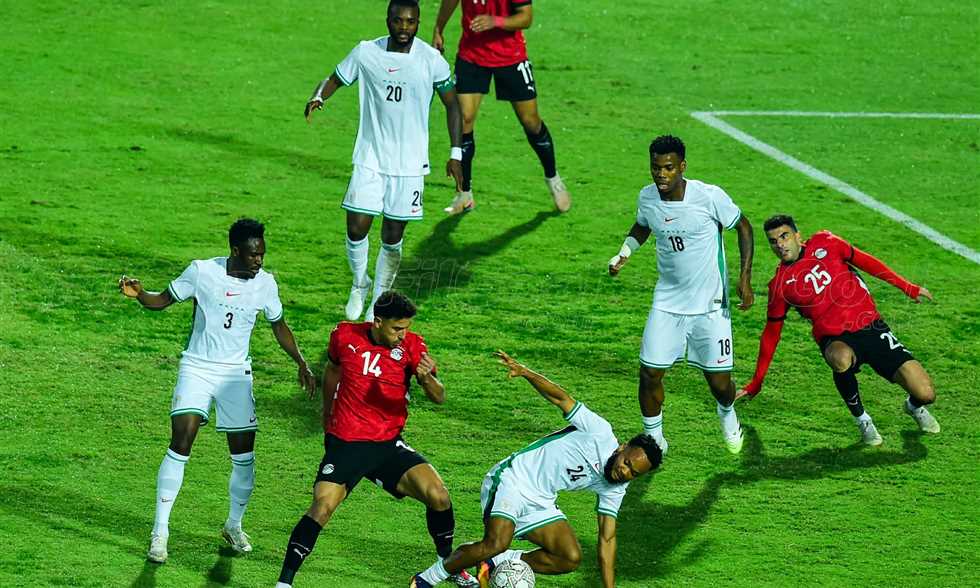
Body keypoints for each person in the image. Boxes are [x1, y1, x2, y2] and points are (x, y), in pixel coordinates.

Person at [118, 218, 317, 564]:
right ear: (235, 251)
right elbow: (162, 300)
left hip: (236, 375)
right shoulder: (202, 272)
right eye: (253, 255)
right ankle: (160, 533)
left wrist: (301, 361)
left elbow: (279, 325)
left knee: (244, 457)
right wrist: (140, 295)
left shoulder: (266, 284)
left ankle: (233, 526)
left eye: (262, 254)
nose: (259, 261)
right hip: (197, 367)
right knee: (182, 441)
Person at [275, 291, 477, 588]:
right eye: (397, 329)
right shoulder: (345, 336)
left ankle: (448, 565)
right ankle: (284, 583)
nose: (402, 335)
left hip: (387, 445)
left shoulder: (413, 346)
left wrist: (426, 379)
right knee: (322, 507)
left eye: (406, 328)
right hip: (346, 444)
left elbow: (439, 396)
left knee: (439, 495)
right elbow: (333, 370)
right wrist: (327, 413)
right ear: (378, 322)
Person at [411, 351, 662, 588]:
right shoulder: (599, 432)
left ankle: (495, 562)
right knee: (496, 542)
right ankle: (425, 579)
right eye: (627, 463)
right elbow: (561, 398)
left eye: (633, 473)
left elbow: (607, 539)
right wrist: (525, 372)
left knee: (569, 557)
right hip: (513, 479)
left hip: (541, 498)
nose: (625, 472)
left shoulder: (616, 486)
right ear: (623, 447)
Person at [304, 0, 464, 323]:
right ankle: (359, 282)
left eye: (411, 22)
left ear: (418, 22)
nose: (404, 28)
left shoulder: (431, 60)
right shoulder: (367, 52)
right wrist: (319, 96)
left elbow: (453, 105)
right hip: (371, 158)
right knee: (356, 226)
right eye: (398, 21)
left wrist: (455, 153)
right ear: (388, 20)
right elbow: (335, 77)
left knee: (392, 237)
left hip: (409, 166)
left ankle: (378, 302)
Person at [608, 135, 755, 455]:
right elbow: (643, 225)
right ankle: (655, 439)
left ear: (682, 167)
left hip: (710, 307)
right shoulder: (647, 197)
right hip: (667, 302)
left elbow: (743, 226)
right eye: (656, 167)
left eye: (669, 168)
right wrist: (624, 253)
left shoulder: (708, 197)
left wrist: (745, 277)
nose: (661, 174)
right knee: (649, 373)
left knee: (719, 385)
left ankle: (727, 412)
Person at [736, 214, 940, 445]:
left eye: (784, 236)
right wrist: (757, 381)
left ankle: (913, 407)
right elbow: (771, 335)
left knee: (926, 394)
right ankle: (863, 420)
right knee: (840, 358)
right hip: (835, 339)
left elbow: (867, 262)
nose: (780, 245)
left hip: (872, 327)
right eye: (773, 241)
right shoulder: (780, 285)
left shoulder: (827, 243)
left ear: (797, 236)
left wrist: (907, 287)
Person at [432, 0, 571, 215]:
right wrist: (439, 28)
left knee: (531, 121)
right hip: (472, 55)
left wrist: (495, 21)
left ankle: (553, 179)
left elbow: (526, 17)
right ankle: (464, 193)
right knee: (464, 120)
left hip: (510, 57)